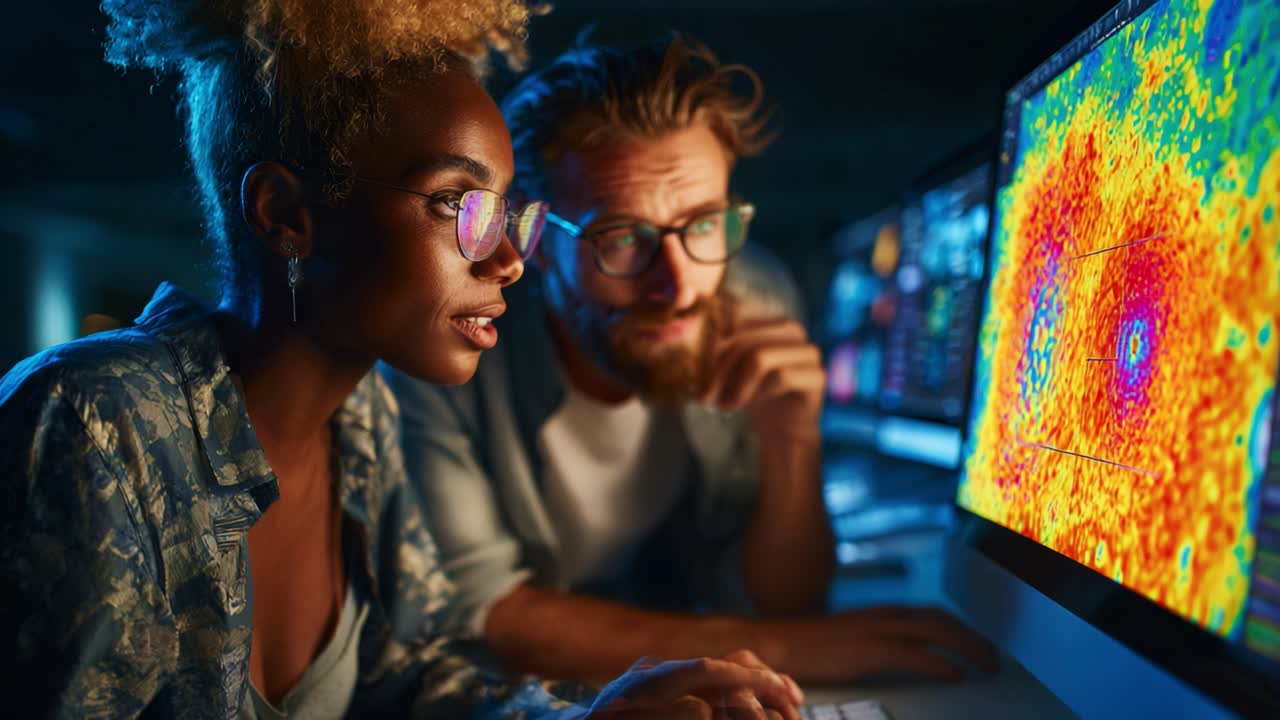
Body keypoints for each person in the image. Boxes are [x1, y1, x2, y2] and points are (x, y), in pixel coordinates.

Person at [0, 3, 805, 718]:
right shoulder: (96, 420)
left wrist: (591, 715)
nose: (507, 261)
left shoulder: (361, 415)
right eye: (460, 206)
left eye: (504, 214)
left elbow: (405, 684)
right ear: (286, 215)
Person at [384, 33, 999, 686]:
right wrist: (782, 651)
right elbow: (489, 620)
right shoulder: (450, 343)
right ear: (532, 241)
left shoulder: (753, 298)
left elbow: (785, 604)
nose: (678, 286)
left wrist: (792, 441)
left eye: (705, 224)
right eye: (622, 238)